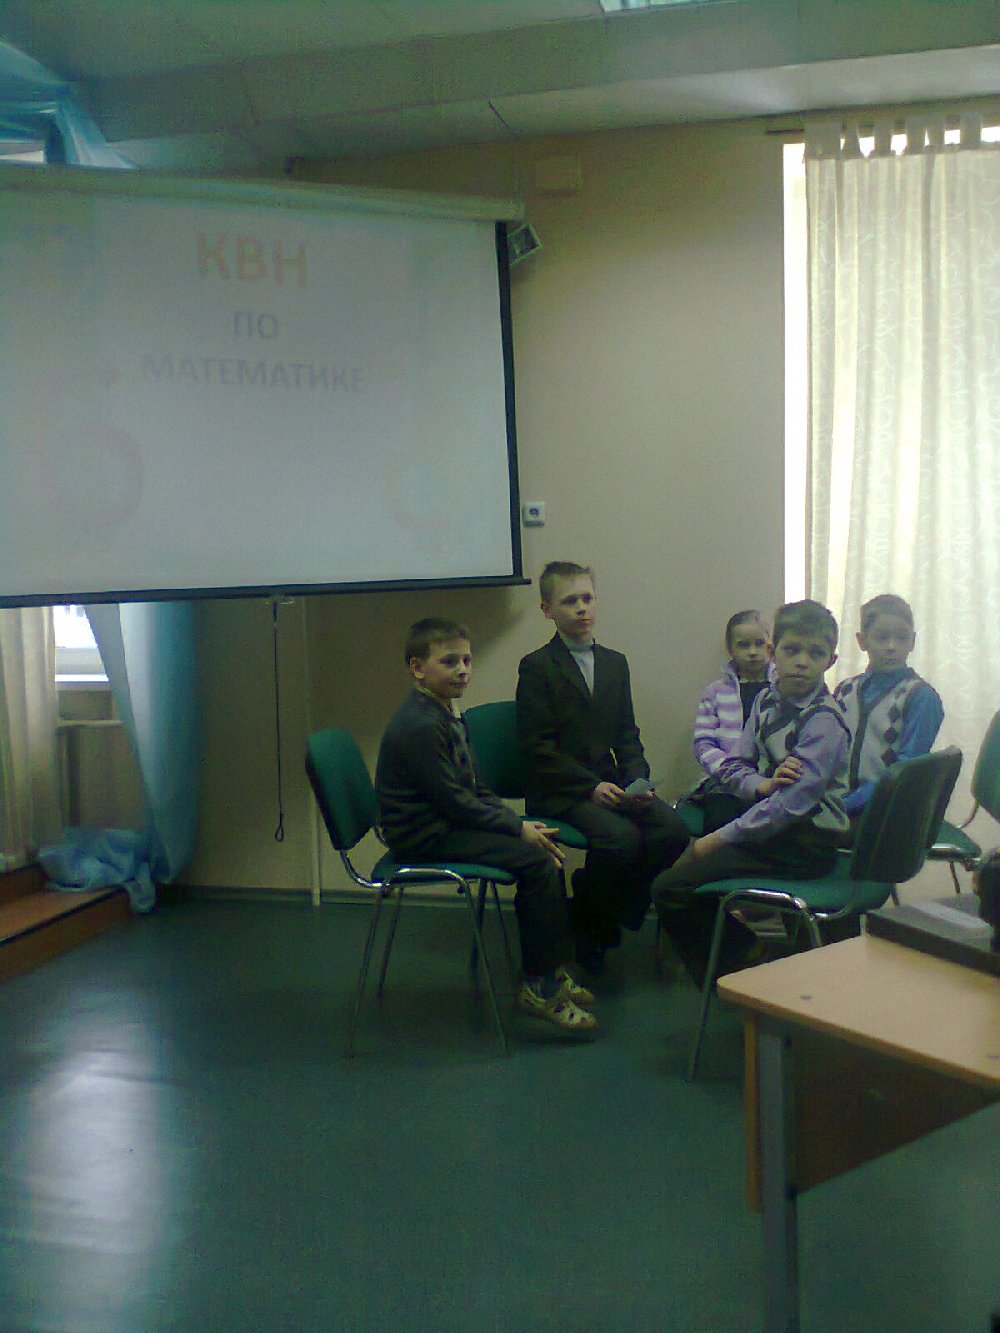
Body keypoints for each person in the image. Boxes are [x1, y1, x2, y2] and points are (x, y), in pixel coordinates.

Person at [375, 617, 597, 1033]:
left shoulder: (444, 710)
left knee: (544, 851)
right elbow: (456, 802)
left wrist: (517, 823)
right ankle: (539, 988)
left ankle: (550, 967)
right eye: (449, 662)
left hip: (446, 821)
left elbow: (474, 788)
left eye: (466, 660)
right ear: (417, 668)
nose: (462, 670)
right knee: (536, 860)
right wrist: (515, 827)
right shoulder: (420, 725)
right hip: (423, 835)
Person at [651, 599, 851, 983]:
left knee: (671, 888)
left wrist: (715, 841)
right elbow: (734, 766)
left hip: (807, 842)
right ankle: (747, 952)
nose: (802, 662)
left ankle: (735, 974)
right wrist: (761, 784)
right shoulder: (765, 700)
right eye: (792, 650)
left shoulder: (824, 721)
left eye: (815, 653)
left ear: (831, 660)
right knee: (675, 881)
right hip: (771, 829)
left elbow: (789, 807)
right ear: (776, 651)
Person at [516, 561, 690, 974]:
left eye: (587, 598)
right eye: (569, 601)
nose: (581, 608)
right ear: (547, 610)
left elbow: (627, 734)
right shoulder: (537, 666)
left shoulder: (615, 663)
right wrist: (590, 787)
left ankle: (594, 912)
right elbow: (538, 748)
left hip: (610, 784)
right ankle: (596, 927)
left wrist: (637, 780)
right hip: (560, 789)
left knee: (673, 829)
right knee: (621, 839)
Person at [833, 593, 944, 821]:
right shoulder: (845, 690)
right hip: (838, 800)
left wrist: (847, 805)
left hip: (887, 811)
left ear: (912, 641)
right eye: (882, 638)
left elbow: (905, 770)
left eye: (902, 638)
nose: (892, 646)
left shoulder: (920, 697)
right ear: (862, 641)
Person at [686, 609, 775, 833]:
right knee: (719, 820)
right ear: (730, 649)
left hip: (769, 780)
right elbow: (703, 743)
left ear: (770, 645)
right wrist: (728, 772)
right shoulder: (715, 692)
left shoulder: (782, 690)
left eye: (759, 643)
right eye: (743, 645)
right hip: (724, 781)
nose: (752, 652)